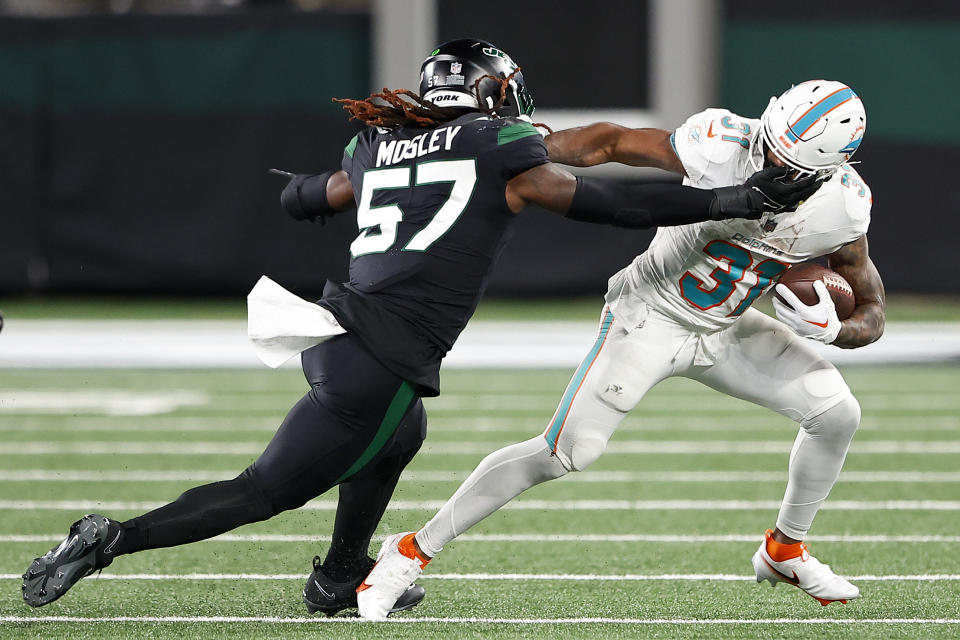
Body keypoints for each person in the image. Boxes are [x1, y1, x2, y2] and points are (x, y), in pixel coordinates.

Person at [21, 40, 819, 617]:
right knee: (264, 490)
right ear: (495, 96)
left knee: (401, 435)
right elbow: (613, 207)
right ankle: (109, 539)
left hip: (349, 333)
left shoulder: (376, 140)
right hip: (377, 352)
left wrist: (295, 192)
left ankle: (339, 578)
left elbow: (315, 194)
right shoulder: (500, 145)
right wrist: (733, 201)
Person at [357, 80, 884, 619]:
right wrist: (519, 149)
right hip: (649, 312)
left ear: (825, 170)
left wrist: (833, 331)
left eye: (784, 161)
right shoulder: (723, 140)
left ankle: (784, 549)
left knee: (837, 413)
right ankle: (410, 550)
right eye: (769, 142)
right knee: (566, 452)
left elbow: (871, 310)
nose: (766, 159)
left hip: (726, 328)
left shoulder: (843, 207)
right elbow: (613, 142)